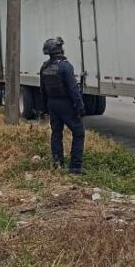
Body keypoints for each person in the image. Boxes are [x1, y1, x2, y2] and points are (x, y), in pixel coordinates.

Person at [38, 37, 85, 174]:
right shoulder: (65, 65)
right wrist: (80, 107)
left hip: (52, 104)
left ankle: (58, 163)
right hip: (66, 104)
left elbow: (43, 90)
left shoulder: (44, 67)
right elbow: (73, 89)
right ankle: (75, 167)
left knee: (56, 133)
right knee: (78, 133)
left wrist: (45, 108)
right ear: (59, 49)